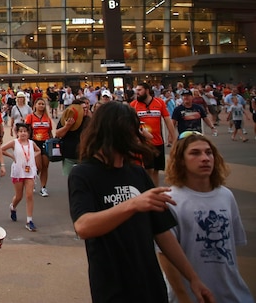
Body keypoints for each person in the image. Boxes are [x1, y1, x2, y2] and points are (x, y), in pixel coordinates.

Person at [68, 101, 214, 303]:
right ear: (114, 130)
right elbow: (83, 226)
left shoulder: (137, 173)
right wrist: (133, 204)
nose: (137, 133)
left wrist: (193, 278)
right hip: (112, 288)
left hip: (151, 285)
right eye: (132, 127)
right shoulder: (83, 174)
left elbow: (163, 233)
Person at [160, 131, 253, 302]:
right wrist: (183, 297)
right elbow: (165, 256)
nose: (205, 158)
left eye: (208, 152)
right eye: (195, 153)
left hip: (232, 294)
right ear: (181, 160)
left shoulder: (226, 196)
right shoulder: (171, 200)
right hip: (192, 296)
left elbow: (231, 247)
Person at [130, 81, 176, 186]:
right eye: (136, 90)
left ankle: (155, 191)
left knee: (156, 170)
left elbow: (168, 121)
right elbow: (130, 123)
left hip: (158, 142)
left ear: (147, 90)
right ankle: (148, 193)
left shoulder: (159, 102)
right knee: (148, 170)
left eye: (139, 90)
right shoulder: (133, 105)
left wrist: (174, 138)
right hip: (143, 143)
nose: (137, 93)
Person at [2, 123, 41, 231]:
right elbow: (1, 149)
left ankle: (29, 220)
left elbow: (38, 151)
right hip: (18, 171)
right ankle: (13, 207)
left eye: (25, 131)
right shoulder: (14, 143)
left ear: (28, 133)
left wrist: (32, 157)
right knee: (19, 196)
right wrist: (11, 156)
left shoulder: (32, 143)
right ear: (17, 133)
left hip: (30, 171)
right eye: (21, 131)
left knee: (29, 195)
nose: (23, 133)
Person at [54, 99, 91, 177]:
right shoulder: (66, 118)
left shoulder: (89, 119)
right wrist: (67, 126)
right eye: (83, 108)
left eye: (86, 107)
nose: (85, 110)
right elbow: (58, 134)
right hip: (69, 155)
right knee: (70, 178)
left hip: (84, 155)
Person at [24, 98, 53, 196]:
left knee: (45, 165)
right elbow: (26, 130)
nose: (41, 106)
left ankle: (43, 187)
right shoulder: (30, 117)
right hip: (34, 143)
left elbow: (50, 131)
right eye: (39, 104)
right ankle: (31, 180)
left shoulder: (47, 118)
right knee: (38, 165)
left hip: (45, 143)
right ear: (35, 105)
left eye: (43, 104)